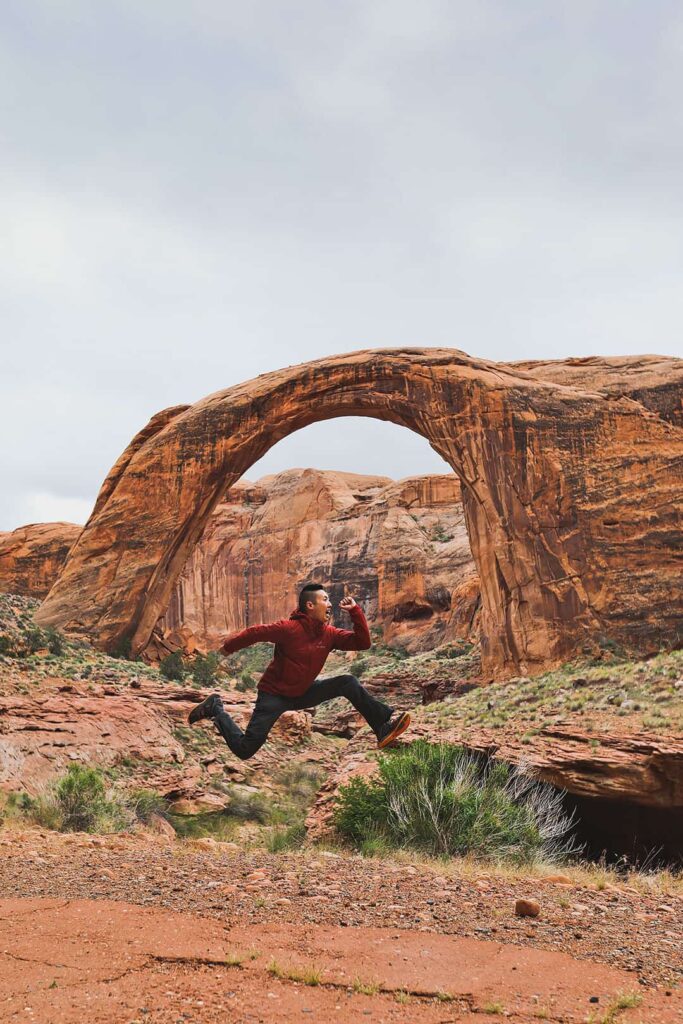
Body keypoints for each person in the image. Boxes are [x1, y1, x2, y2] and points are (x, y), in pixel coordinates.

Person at [187, 583, 411, 760]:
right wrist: (227, 649)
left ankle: (382, 726)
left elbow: (362, 643)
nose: (330, 603)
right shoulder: (289, 629)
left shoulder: (329, 634)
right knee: (245, 750)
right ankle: (216, 708)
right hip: (274, 696)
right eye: (325, 599)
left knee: (348, 682)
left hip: (304, 693)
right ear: (310, 606)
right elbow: (255, 633)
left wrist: (355, 612)